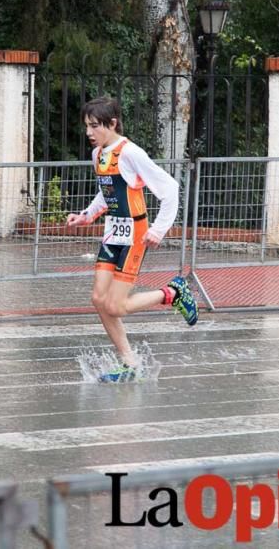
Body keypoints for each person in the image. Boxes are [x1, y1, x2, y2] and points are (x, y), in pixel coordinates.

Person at [67, 96, 198, 382]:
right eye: (86, 126)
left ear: (112, 123)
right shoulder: (98, 154)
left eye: (94, 126)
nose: (89, 132)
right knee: (98, 299)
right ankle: (129, 363)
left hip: (135, 235)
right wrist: (87, 215)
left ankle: (173, 293)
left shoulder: (131, 153)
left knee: (115, 306)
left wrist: (159, 229)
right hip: (113, 233)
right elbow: (107, 192)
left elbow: (170, 189)